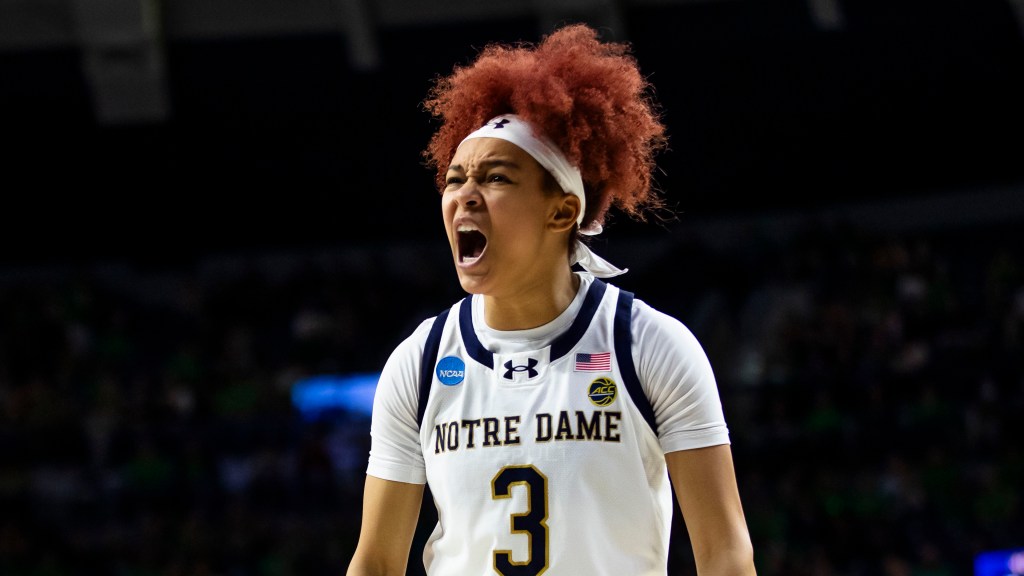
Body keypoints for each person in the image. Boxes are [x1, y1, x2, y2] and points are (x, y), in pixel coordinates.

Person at [347, 23, 756, 576]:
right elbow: (374, 562)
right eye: (455, 179)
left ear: (562, 211)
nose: (465, 195)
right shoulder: (419, 363)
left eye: (494, 178)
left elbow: (725, 554)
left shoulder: (649, 346)